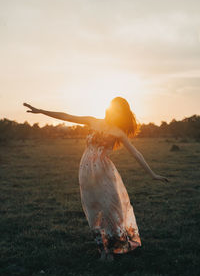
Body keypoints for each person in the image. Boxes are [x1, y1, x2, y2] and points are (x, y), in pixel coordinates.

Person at [23, 97, 169, 262]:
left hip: (104, 171)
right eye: (113, 108)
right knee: (94, 210)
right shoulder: (93, 121)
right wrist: (41, 111)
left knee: (110, 208)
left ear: (122, 113)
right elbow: (67, 116)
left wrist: (152, 174)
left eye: (118, 110)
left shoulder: (118, 132)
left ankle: (114, 247)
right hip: (86, 171)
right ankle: (103, 249)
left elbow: (135, 153)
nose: (115, 111)